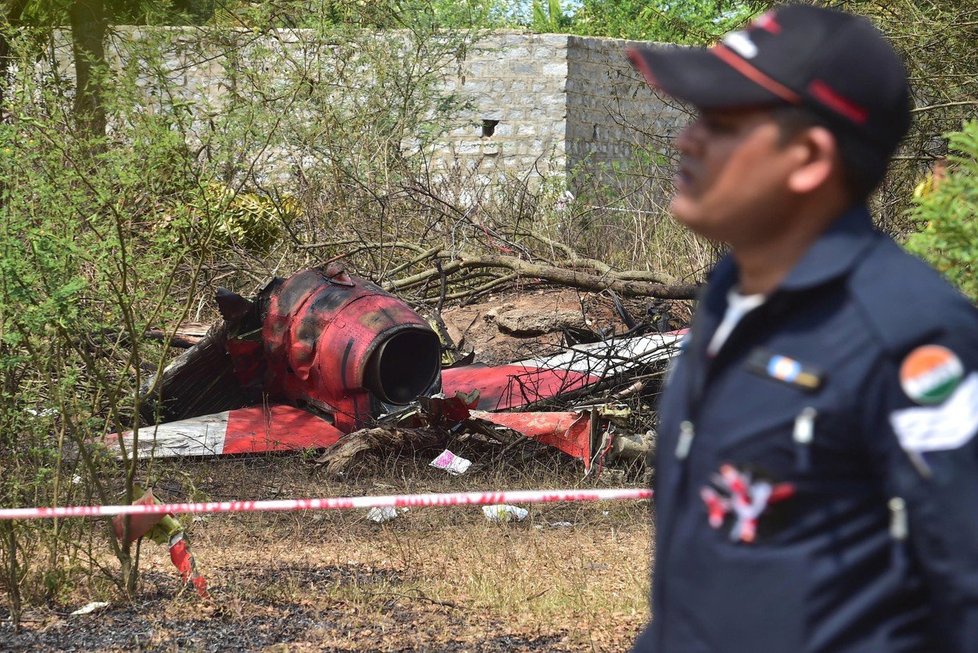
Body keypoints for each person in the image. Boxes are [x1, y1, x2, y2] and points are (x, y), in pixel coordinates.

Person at [625, 5, 978, 652]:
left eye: (722, 121)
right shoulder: (731, 298)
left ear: (809, 157)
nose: (686, 140)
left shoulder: (910, 334)